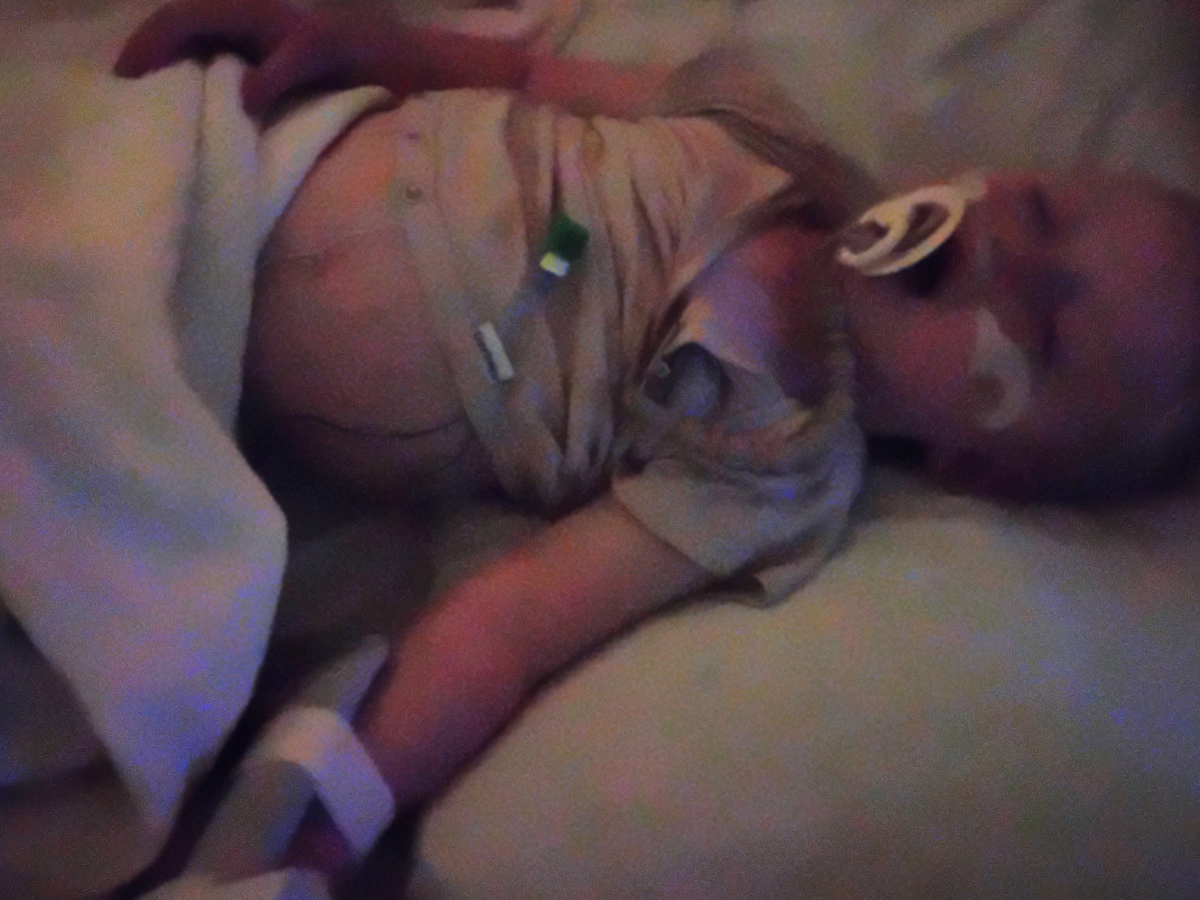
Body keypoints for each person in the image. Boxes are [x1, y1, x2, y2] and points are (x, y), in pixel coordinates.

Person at [106, 0, 1200, 880]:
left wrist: (344, 810)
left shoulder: (767, 464)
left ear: (977, 465)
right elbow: (527, 75)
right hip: (250, 150)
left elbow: (509, 626)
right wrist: (363, 41)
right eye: (1044, 210)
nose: (1008, 251)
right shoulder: (768, 135)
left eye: (1046, 332)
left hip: (192, 378)